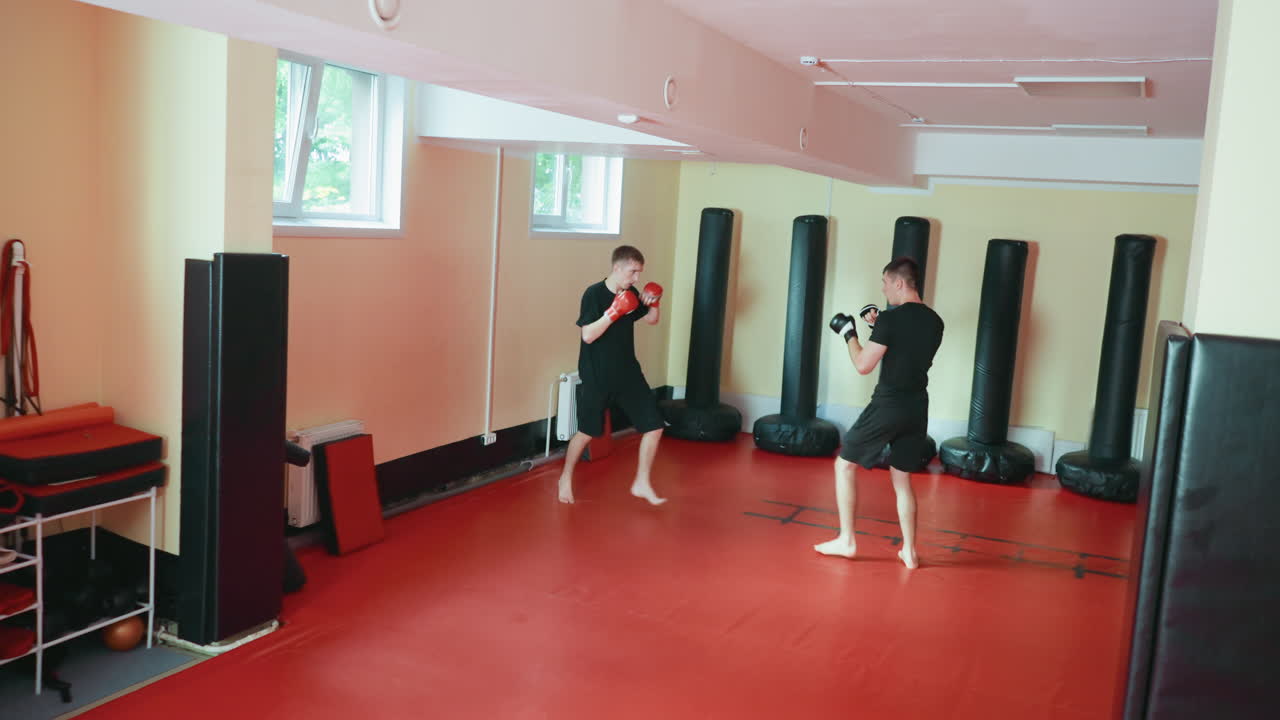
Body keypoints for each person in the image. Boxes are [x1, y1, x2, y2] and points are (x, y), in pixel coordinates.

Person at [815, 257, 944, 568]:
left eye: (886, 283)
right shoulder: (935, 321)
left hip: (888, 405)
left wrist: (849, 333)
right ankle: (909, 551)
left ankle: (847, 540)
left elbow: (863, 365)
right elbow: (906, 349)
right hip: (917, 407)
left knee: (844, 465)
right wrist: (878, 326)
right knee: (902, 478)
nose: (884, 290)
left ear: (899, 282)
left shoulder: (891, 319)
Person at [558, 245, 667, 506]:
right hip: (597, 374)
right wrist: (613, 312)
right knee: (587, 432)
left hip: (628, 372)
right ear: (617, 268)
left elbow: (651, 320)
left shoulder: (631, 293)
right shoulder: (594, 294)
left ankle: (642, 482)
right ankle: (565, 477)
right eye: (632, 272)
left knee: (654, 426)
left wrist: (655, 302)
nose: (636, 278)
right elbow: (588, 335)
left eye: (639, 273)